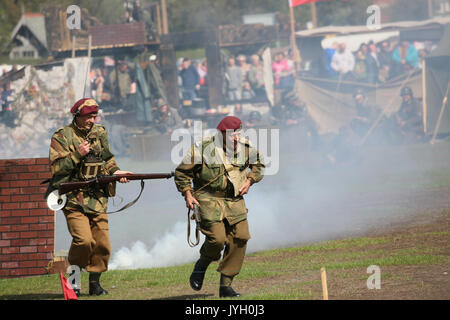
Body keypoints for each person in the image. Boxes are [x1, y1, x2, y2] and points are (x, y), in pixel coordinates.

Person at [47, 98, 132, 296]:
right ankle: (74, 281)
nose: (92, 120)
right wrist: (77, 154)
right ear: (77, 116)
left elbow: (108, 159)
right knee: (83, 241)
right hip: (73, 199)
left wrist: (117, 172)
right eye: (88, 116)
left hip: (98, 197)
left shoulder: (99, 132)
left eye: (94, 116)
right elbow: (56, 168)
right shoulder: (62, 136)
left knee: (102, 243)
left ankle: (95, 283)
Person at [174, 116, 265, 298]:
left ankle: (226, 286)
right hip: (208, 201)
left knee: (240, 237)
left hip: (234, 200)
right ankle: (202, 265)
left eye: (238, 133)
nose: (236, 138)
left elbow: (259, 165)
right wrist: (187, 193)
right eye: (232, 135)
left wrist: (249, 181)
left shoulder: (246, 148)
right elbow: (182, 173)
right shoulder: (203, 149)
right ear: (222, 134)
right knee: (217, 240)